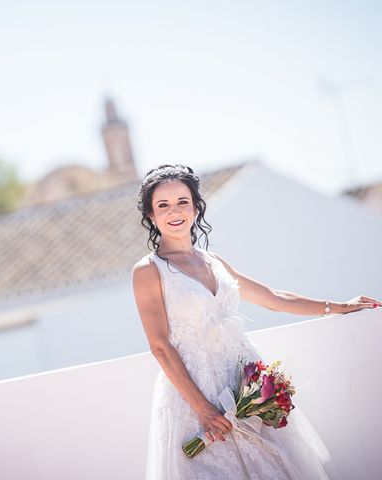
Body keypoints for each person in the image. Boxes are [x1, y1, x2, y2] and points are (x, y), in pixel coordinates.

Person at [131, 164, 381, 480]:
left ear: (196, 207)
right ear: (152, 216)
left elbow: (275, 297)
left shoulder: (214, 261)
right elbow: (160, 345)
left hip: (242, 381)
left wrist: (340, 306)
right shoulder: (148, 270)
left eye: (182, 201)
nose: (174, 211)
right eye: (162, 205)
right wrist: (203, 409)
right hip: (194, 394)